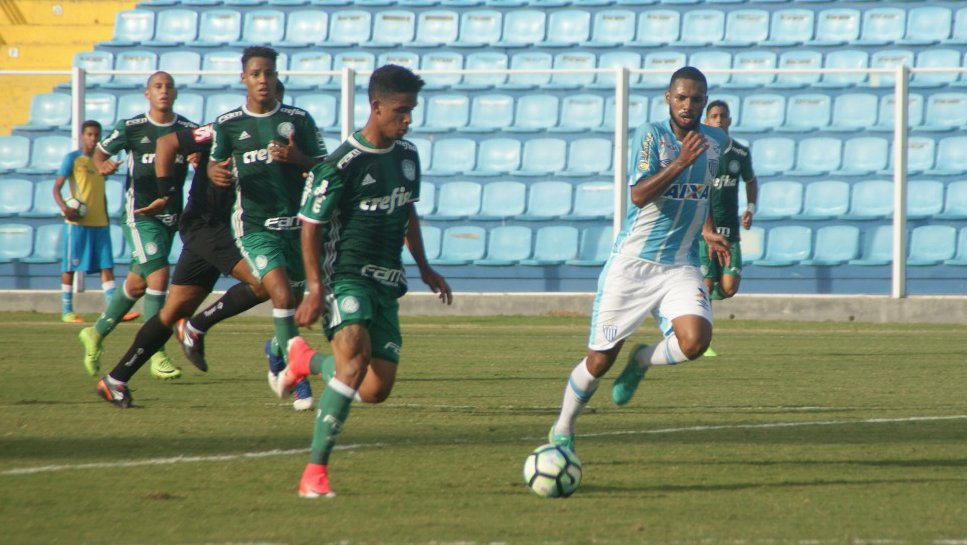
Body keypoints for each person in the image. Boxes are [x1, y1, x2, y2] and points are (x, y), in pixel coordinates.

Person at [270, 64, 452, 498]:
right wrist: (315, 289)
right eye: (401, 110)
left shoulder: (407, 157)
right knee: (352, 364)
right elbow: (309, 226)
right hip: (344, 277)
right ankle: (314, 474)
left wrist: (424, 265)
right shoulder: (341, 165)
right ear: (376, 106)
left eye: (411, 111)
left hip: (387, 281)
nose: (408, 119)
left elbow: (407, 209)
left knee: (375, 388)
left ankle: (305, 362)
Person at [93, 80, 316, 410]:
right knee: (265, 282)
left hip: (228, 230)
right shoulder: (221, 130)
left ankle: (114, 379)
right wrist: (167, 193)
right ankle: (200, 328)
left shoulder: (289, 142)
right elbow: (168, 143)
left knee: (173, 311)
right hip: (208, 226)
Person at [547, 67, 730, 457]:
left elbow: (703, 192)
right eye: (681, 97)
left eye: (696, 99)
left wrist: (708, 229)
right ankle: (563, 426)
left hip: (680, 263)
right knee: (598, 361)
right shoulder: (652, 136)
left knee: (695, 342)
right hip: (634, 264)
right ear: (668, 98)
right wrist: (679, 162)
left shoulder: (716, 140)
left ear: (704, 101)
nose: (688, 105)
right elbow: (638, 195)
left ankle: (644, 358)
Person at [207, 46, 326, 408]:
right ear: (243, 78)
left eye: (269, 73)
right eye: (256, 74)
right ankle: (298, 378)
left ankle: (275, 350)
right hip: (255, 226)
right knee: (283, 297)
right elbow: (214, 166)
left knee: (292, 310)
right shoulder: (228, 124)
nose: (263, 80)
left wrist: (299, 159)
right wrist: (216, 173)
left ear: (277, 77)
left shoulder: (298, 120)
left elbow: (323, 168)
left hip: (296, 228)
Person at [79, 72, 197, 381]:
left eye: (169, 86)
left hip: (171, 217)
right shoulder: (131, 128)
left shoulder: (186, 129)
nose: (164, 91)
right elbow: (98, 156)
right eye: (158, 86)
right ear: (147, 93)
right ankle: (156, 352)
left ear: (175, 93)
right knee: (159, 276)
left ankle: (95, 332)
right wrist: (101, 165)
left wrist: (199, 158)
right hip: (139, 215)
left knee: (136, 285)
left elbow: (201, 155)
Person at [53, 120, 137, 324]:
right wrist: (65, 208)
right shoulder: (73, 159)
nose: (93, 139)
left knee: (106, 266)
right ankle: (67, 310)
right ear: (82, 136)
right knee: (70, 268)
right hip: (77, 224)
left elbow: (100, 193)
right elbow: (56, 188)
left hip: (100, 222)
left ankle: (114, 310)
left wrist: (107, 217)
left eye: (97, 135)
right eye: (89, 134)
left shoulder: (101, 162)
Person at [699, 100, 758, 357]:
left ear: (730, 121)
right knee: (705, 284)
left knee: (729, 288)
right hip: (704, 232)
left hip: (730, 232)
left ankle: (703, 297)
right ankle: (702, 340)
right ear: (707, 121)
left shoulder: (740, 153)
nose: (719, 120)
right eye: (714, 116)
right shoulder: (699, 152)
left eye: (723, 116)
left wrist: (750, 208)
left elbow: (751, 181)